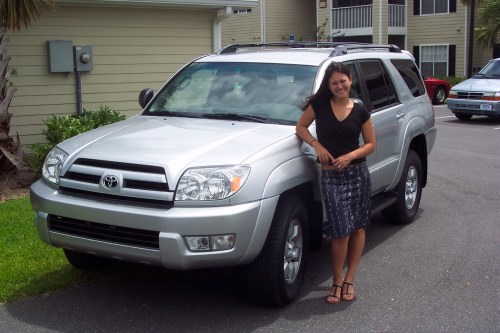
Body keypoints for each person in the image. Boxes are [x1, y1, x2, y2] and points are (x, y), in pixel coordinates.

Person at [295, 62, 376, 304]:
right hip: (331, 177)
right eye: (334, 83)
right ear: (328, 86)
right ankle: (336, 281)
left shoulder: (360, 110)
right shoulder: (319, 105)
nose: (339, 86)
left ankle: (350, 279)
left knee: (358, 227)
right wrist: (316, 145)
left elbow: (371, 145)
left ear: (350, 80)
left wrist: (351, 155)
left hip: (358, 174)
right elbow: (300, 127)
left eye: (343, 81)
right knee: (340, 231)